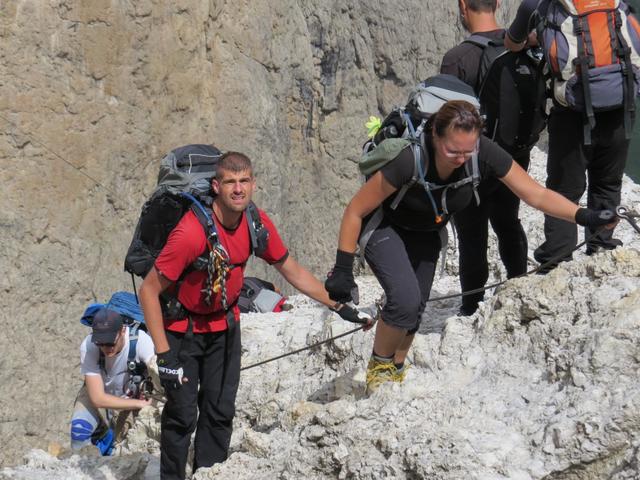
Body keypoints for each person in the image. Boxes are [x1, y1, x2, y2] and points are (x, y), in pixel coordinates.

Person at [325, 100, 616, 392]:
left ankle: (396, 367)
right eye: (453, 151)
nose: (461, 159)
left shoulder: (482, 153)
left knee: (416, 308)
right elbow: (355, 210)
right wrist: (343, 268)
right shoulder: (410, 159)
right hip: (384, 227)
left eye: (468, 151)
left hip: (427, 231)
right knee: (404, 301)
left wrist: (585, 216)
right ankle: (380, 369)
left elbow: (536, 195)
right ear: (436, 137)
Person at [139, 151, 370, 480]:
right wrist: (163, 355)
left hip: (225, 328)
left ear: (253, 184)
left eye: (244, 181)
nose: (238, 189)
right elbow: (149, 290)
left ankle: (210, 474)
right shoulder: (191, 232)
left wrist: (339, 306)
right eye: (230, 182)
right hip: (182, 331)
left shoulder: (254, 222)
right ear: (216, 186)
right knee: (181, 414)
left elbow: (291, 269)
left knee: (219, 412)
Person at [505, 0, 639, 271]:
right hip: (620, 106)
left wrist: (536, 37)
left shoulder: (539, 4)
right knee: (608, 182)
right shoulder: (614, 3)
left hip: (572, 114)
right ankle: (601, 248)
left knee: (564, 190)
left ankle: (557, 259)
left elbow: (512, 43)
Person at [441, 0, 539, 315]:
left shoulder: (458, 59)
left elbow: (449, 123)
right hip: (515, 157)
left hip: (472, 165)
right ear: (498, 3)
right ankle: (520, 286)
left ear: (462, 5)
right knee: (508, 222)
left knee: (472, 234)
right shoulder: (519, 45)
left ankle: (471, 307)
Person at [70, 308, 154, 455]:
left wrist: (145, 404)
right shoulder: (89, 346)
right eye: (100, 344)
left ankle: (110, 444)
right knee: (79, 430)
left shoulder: (141, 341)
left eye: (110, 343)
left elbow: (158, 378)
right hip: (106, 394)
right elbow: (97, 398)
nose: (105, 348)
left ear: (122, 331)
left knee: (126, 452)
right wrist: (138, 403)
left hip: (132, 394)